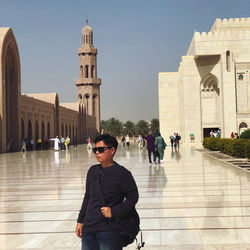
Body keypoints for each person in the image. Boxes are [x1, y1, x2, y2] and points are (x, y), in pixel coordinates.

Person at [75, 134, 139, 250]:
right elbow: (88, 197)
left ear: (112, 150)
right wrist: (80, 221)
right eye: (95, 150)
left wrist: (114, 212)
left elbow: (133, 197)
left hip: (109, 230)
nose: (97, 153)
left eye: (101, 149)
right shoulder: (92, 171)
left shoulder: (122, 173)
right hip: (89, 228)